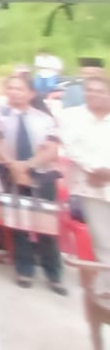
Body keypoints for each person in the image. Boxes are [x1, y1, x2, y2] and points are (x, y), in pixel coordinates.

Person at [0, 72, 67, 294]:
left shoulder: (44, 118)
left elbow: (51, 149)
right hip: (10, 173)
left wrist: (28, 166)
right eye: (10, 87)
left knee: (46, 226)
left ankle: (54, 274)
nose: (14, 92)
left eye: (19, 88)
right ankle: (24, 269)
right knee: (18, 224)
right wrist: (13, 165)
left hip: (42, 175)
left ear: (31, 93)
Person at [60, 73, 110, 260]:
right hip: (90, 185)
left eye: (100, 91)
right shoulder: (72, 116)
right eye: (89, 90)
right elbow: (69, 146)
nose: (94, 94)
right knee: (103, 240)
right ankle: (107, 286)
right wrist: (94, 169)